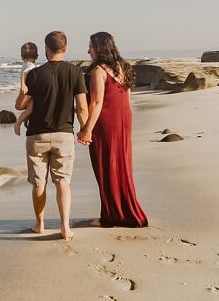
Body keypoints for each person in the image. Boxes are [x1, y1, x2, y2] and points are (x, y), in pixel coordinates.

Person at [15, 31, 88, 240]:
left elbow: (20, 105)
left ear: (46, 49)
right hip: (64, 135)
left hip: (36, 136)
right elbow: (82, 107)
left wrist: (22, 91)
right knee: (63, 182)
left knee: (39, 183)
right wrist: (85, 130)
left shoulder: (35, 74)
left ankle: (40, 224)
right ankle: (65, 227)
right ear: (65, 49)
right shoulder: (75, 72)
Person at [77, 32, 148, 228]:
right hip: (124, 118)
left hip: (106, 121)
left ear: (99, 48)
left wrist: (87, 130)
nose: (88, 50)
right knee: (122, 163)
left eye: (90, 46)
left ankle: (112, 213)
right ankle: (123, 210)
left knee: (106, 164)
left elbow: (97, 102)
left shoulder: (98, 70)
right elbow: (127, 96)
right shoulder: (122, 66)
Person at [14, 42, 38, 136]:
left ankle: (25, 120)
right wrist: (24, 84)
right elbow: (25, 73)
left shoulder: (25, 64)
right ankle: (18, 123)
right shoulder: (31, 66)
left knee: (29, 109)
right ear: (37, 56)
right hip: (29, 92)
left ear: (21, 55)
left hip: (26, 90)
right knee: (29, 110)